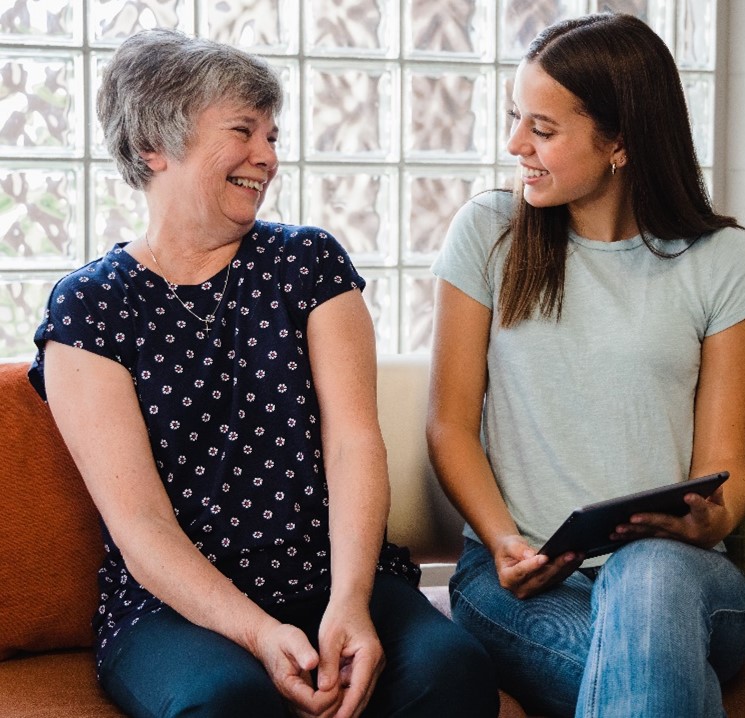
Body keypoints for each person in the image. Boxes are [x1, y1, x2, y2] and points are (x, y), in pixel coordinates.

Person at [29, 28, 498, 718]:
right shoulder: (89, 308)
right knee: (225, 703)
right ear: (153, 147)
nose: (268, 156)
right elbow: (142, 525)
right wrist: (259, 632)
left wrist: (350, 603)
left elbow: (354, 445)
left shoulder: (309, 264)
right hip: (174, 606)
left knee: (452, 674)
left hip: (330, 575)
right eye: (244, 132)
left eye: (272, 135)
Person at [427, 12, 745, 718]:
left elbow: (727, 468)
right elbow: (449, 425)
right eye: (515, 119)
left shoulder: (723, 263)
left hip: (684, 579)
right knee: (660, 684)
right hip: (517, 582)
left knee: (648, 573)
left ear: (619, 141)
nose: (515, 145)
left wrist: (704, 524)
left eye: (543, 130)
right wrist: (502, 543)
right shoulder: (487, 233)